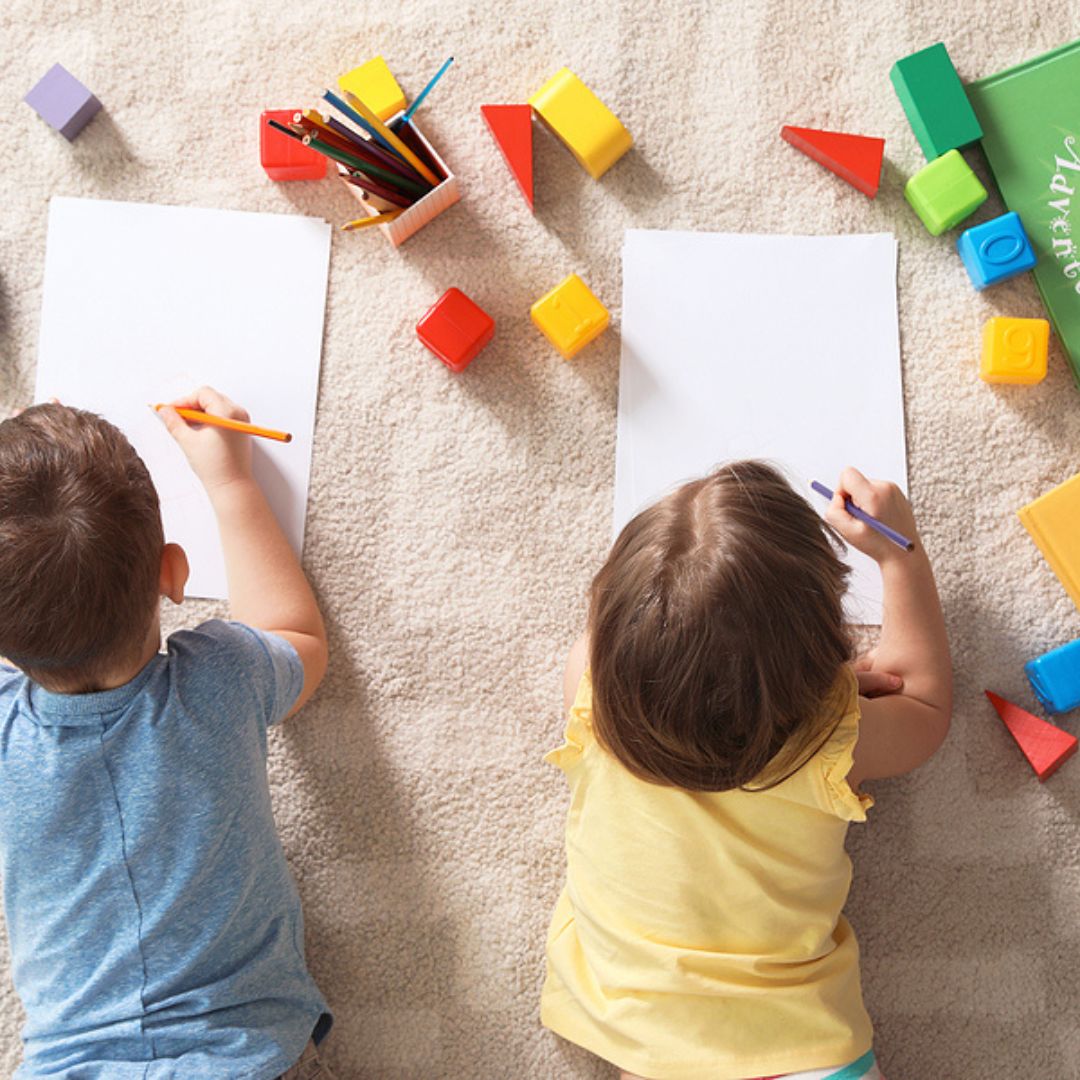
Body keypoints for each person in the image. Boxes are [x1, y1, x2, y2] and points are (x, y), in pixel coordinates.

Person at [541, 461, 952, 1080]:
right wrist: (902, 555)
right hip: (799, 1042)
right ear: (817, 654)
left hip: (638, 1030)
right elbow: (923, 700)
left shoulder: (590, 686)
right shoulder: (831, 737)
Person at [0, 388, 335, 1078]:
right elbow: (298, 637)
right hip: (247, 1059)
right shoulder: (223, 677)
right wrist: (230, 480)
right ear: (174, 575)